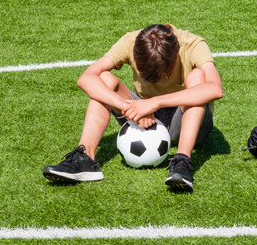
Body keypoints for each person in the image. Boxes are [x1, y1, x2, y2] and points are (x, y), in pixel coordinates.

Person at [43, 24, 223, 191]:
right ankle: (85, 158)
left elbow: (215, 88)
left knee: (198, 77)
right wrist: (130, 107)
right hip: (141, 114)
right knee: (104, 79)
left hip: (186, 118)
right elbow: (86, 78)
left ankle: (182, 161)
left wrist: (154, 103)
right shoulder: (130, 41)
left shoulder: (192, 44)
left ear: (174, 57)